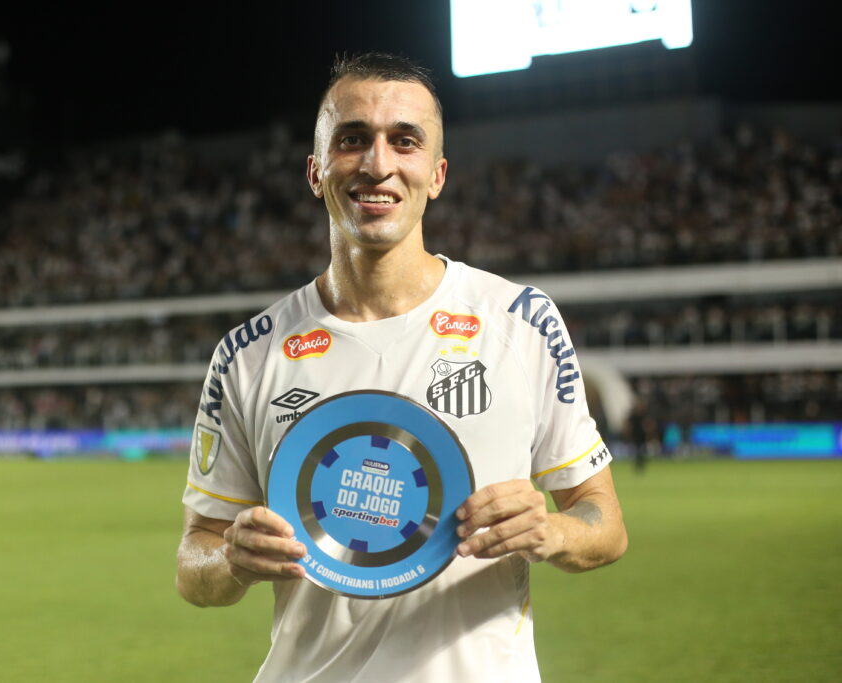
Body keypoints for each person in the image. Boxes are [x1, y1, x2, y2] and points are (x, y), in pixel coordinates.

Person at [176, 52, 628, 682]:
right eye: (352, 139)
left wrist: (551, 531)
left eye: (404, 141)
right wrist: (230, 559)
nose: (377, 164)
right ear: (315, 170)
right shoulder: (247, 354)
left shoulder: (521, 322)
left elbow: (604, 523)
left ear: (437, 174)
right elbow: (193, 563)